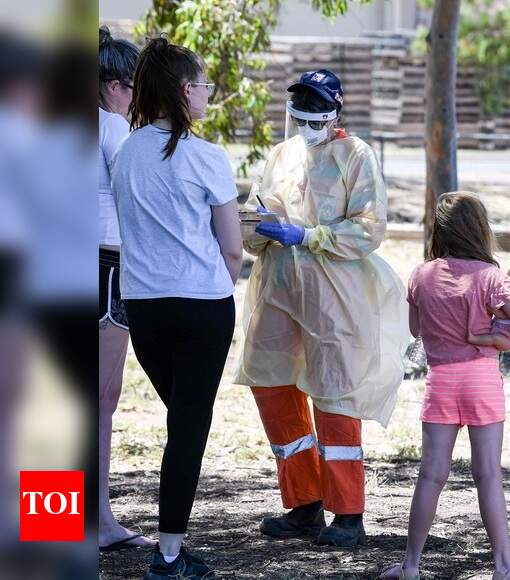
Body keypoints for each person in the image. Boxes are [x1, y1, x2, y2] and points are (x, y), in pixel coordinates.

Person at [235, 69, 409, 548]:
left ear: (335, 113)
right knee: (274, 388)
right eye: (298, 115)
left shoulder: (356, 155)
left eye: (315, 115)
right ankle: (304, 503)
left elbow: (369, 227)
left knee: (335, 396)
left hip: (334, 296)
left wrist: (311, 236)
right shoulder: (281, 154)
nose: (305, 124)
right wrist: (255, 227)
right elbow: (258, 210)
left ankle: (348, 512)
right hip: (278, 290)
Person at [111, 38, 242, 579]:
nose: (208, 93)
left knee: (181, 420)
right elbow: (233, 246)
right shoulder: (207, 156)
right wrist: (221, 287)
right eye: (205, 84)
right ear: (186, 89)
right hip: (201, 306)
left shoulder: (125, 151)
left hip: (143, 308)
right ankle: (167, 556)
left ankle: (170, 546)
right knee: (188, 428)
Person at [380, 191, 510, 580]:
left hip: (441, 382)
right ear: (479, 230)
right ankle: (504, 566)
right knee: (487, 475)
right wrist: (498, 325)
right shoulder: (490, 277)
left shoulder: (421, 274)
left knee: (431, 475)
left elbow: (416, 328)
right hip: (481, 381)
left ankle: (411, 565)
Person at [97, 26, 156, 552]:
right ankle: (95, 519)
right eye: (135, 86)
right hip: (104, 267)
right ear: (115, 85)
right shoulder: (113, 130)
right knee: (98, 398)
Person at [467, 264, 510, 352]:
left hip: (508, 339)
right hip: (502, 333)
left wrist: (492, 309)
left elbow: (506, 316)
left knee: (495, 338)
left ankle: (473, 339)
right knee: (494, 337)